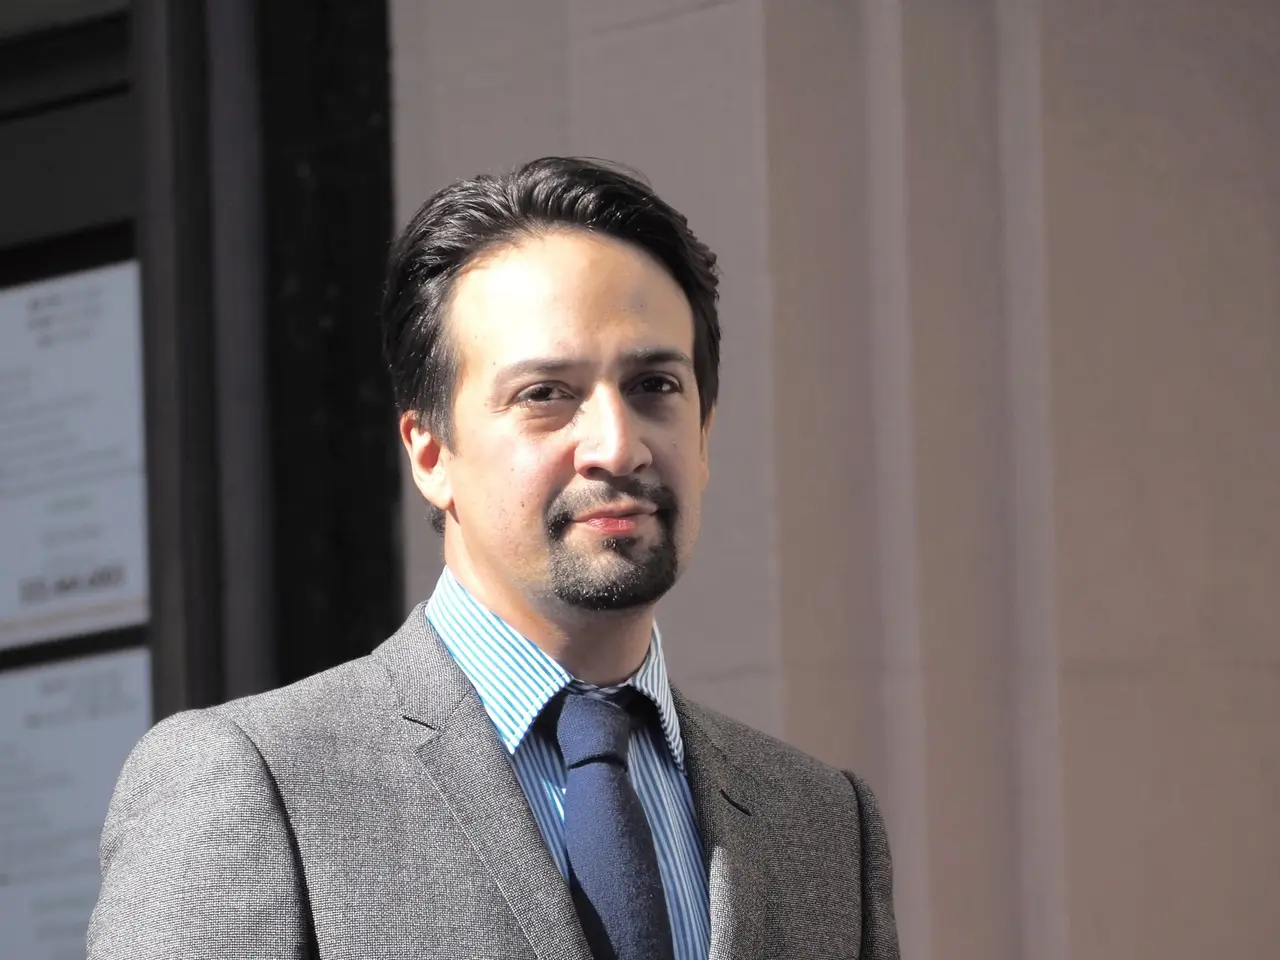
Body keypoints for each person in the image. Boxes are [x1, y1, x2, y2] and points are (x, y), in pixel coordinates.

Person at [88, 157, 900, 960]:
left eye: (655, 385)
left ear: (705, 433)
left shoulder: (822, 823)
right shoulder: (256, 783)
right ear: (430, 453)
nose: (617, 446)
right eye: (545, 394)